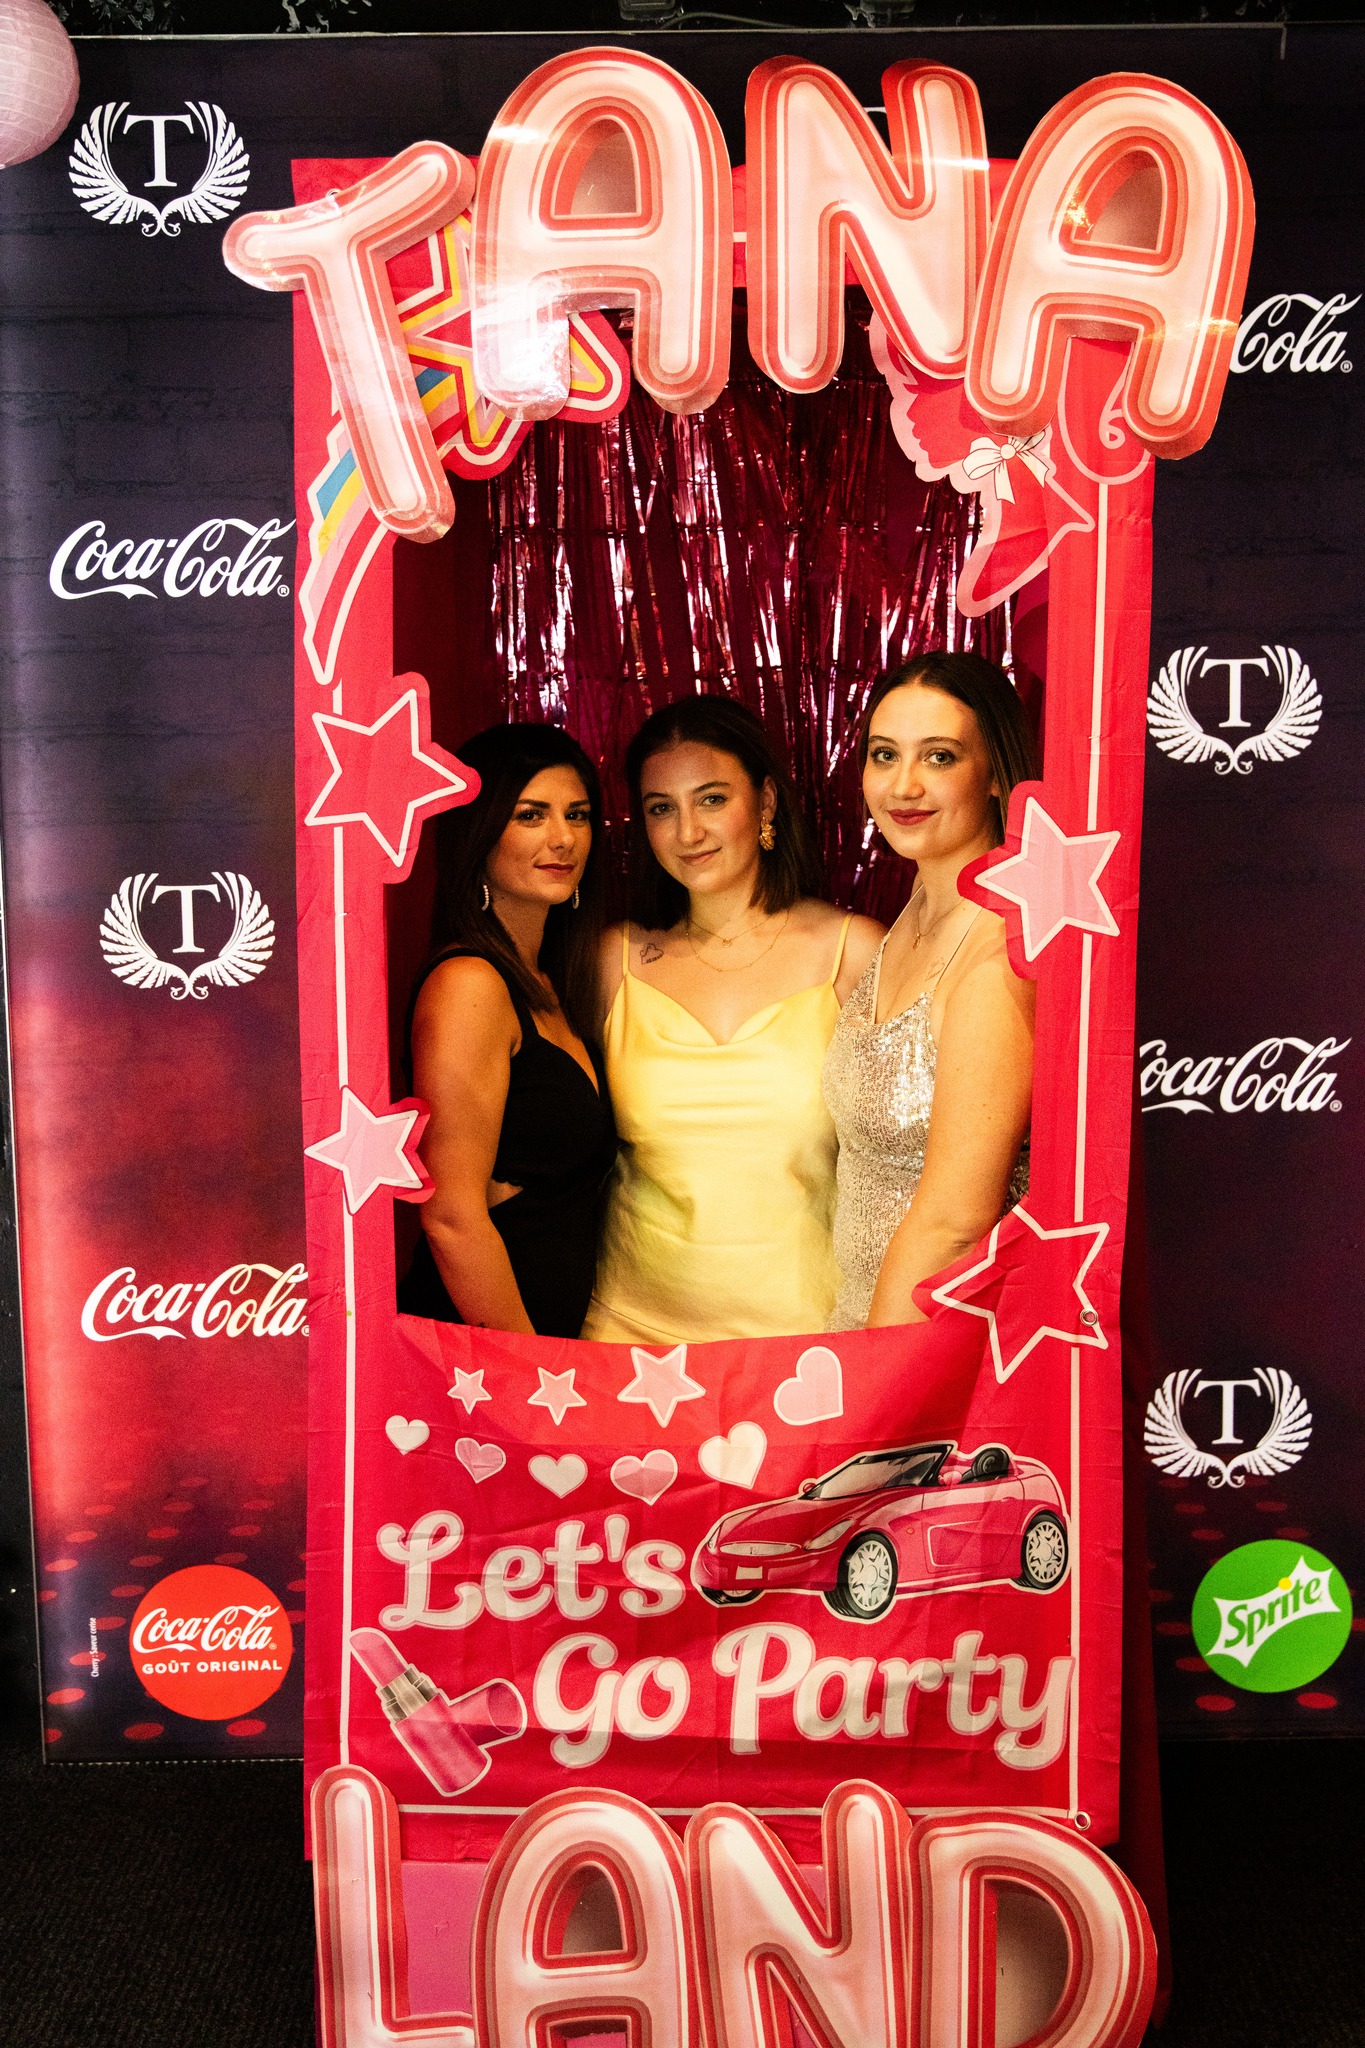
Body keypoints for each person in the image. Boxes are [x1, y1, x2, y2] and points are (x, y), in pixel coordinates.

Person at [581, 695, 882, 1345]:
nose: (688, 832)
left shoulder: (851, 952)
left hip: (804, 1343)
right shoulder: (615, 961)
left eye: (712, 799)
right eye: (662, 808)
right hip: (626, 1338)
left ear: (765, 802)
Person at [823, 651, 1037, 1332]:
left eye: (939, 757)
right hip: (858, 1326)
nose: (903, 785)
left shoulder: (998, 950)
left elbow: (954, 1223)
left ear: (996, 773)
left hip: (931, 1349)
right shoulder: (914, 915)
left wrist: (877, 1376)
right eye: (884, 755)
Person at [397, 724, 617, 1339]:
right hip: (486, 1360)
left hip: (552, 1353)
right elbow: (451, 1218)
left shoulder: (551, 981)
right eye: (530, 815)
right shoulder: (470, 982)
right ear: (479, 831)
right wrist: (530, 1372)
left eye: (577, 814)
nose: (563, 837)